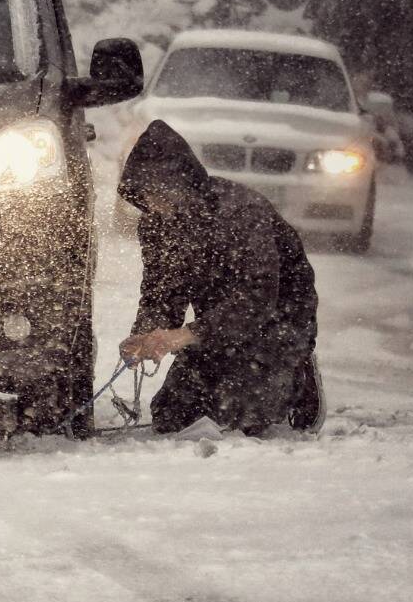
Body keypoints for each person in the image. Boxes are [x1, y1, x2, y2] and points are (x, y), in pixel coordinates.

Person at [117, 121, 324, 436]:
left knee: (244, 419)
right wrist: (146, 334)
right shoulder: (156, 225)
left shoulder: (240, 212)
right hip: (216, 327)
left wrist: (185, 335)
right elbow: (161, 293)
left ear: (181, 185)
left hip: (276, 322)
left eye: (158, 193)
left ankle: (298, 371)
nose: (153, 204)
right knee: (172, 416)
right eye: (145, 195)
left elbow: (258, 298)